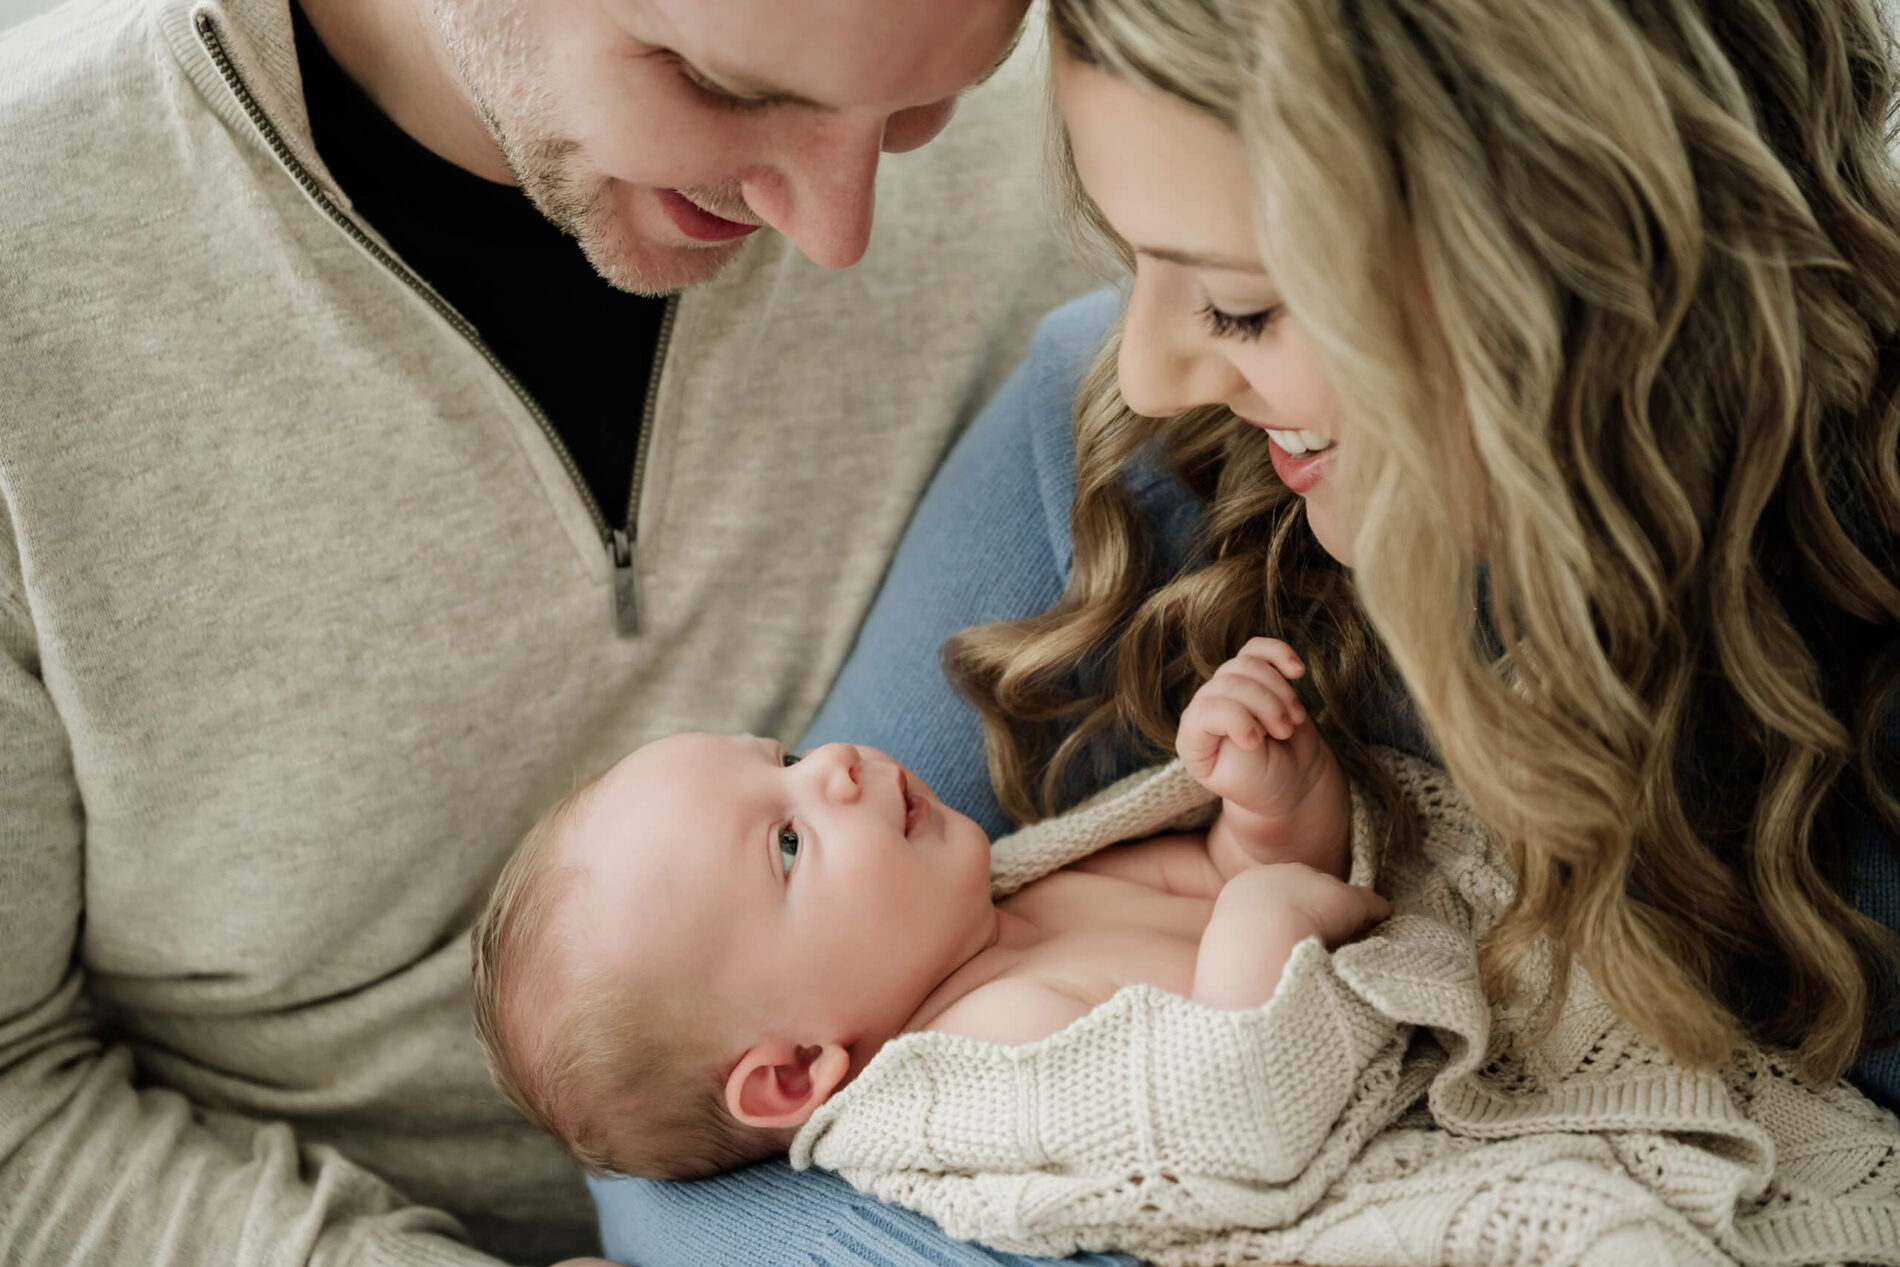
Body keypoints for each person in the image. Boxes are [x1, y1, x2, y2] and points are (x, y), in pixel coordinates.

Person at [593, 0, 1900, 1262]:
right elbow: (665, 1129)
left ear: (1575, 267)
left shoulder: (1852, 587)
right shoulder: (1120, 444)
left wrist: (1272, 842)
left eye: (1239, 304)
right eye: (1129, 261)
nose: (1147, 368)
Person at [0, 0, 1096, 1261]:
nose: (835, 226)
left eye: (922, 109)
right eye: (718, 86)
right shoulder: (32, 258)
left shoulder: (1090, 108)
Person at [469, 642, 1390, 1183]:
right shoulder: (986, 1051)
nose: (833, 763)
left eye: (783, 756)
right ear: (793, 1072)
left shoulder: (1026, 901)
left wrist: (1272, 796)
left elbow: (1244, 871)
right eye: (787, 840)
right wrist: (1263, 925)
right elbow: (1231, 1117)